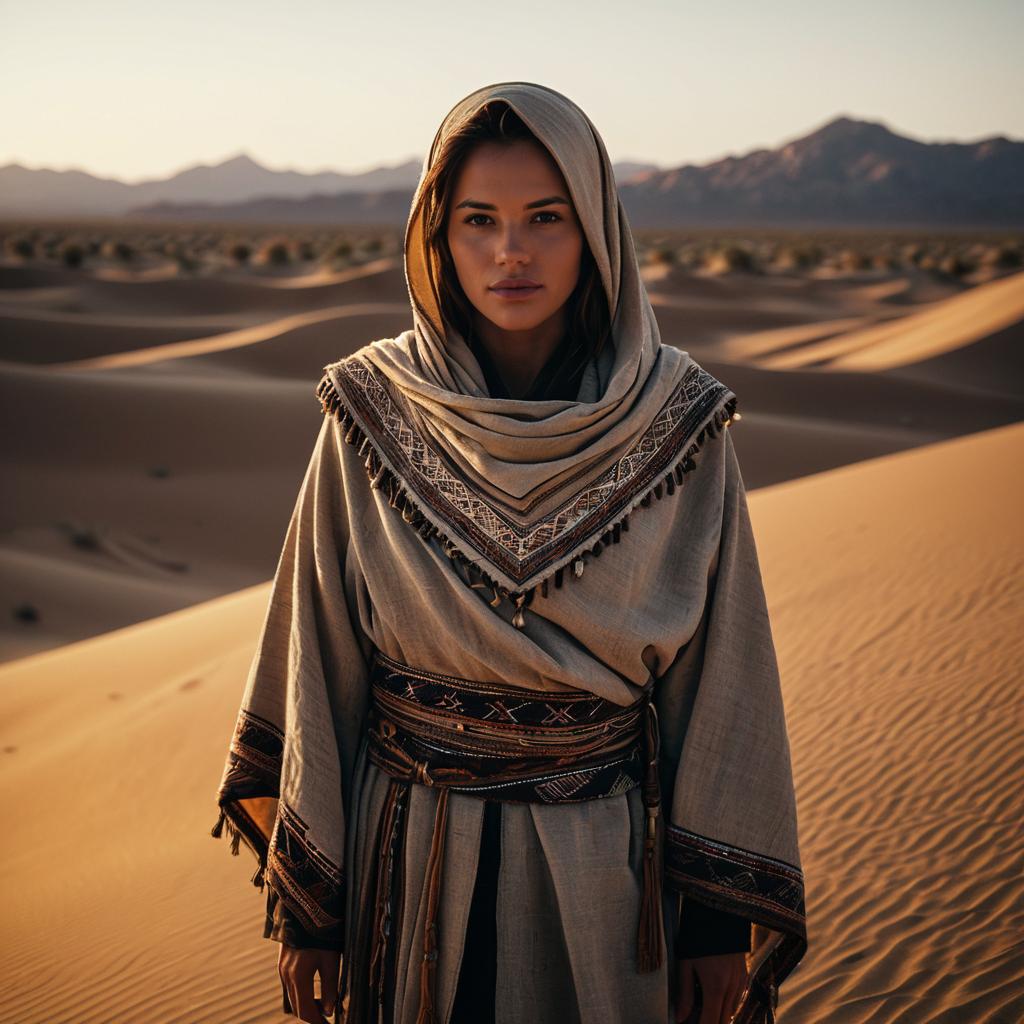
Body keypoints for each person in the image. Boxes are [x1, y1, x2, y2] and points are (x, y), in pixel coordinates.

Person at [211, 81, 808, 1024]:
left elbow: (725, 677)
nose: (511, 252)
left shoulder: (682, 424)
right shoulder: (370, 410)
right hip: (403, 855)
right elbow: (315, 655)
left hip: (605, 871)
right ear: (437, 236)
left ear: (597, 230)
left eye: (547, 217)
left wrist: (713, 926)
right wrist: (311, 911)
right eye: (478, 220)